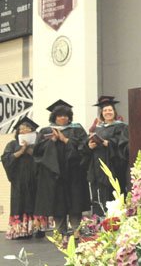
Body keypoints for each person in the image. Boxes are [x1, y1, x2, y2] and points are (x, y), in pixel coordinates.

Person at [33, 100, 90, 237]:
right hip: (55, 175)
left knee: (75, 204)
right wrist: (52, 141)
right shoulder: (45, 131)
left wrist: (66, 140)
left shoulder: (77, 129)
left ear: (69, 117)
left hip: (74, 173)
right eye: (59, 115)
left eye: (65, 115)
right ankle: (60, 233)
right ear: (54, 117)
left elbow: (85, 148)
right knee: (58, 205)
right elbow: (37, 153)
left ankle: (77, 231)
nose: (63, 118)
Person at [83, 96, 129, 216]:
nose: (107, 112)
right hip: (97, 167)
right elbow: (85, 149)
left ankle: (116, 221)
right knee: (98, 196)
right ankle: (99, 223)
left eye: (110, 110)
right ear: (102, 113)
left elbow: (124, 146)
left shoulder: (122, 127)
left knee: (113, 194)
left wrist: (109, 143)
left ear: (114, 112)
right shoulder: (97, 128)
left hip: (113, 167)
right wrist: (90, 146)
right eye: (105, 111)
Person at [1, 117, 43, 239]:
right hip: (19, 181)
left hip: (35, 180)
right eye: (21, 130)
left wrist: (30, 150)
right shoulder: (12, 144)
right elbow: (5, 159)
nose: (24, 131)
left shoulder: (38, 145)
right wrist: (21, 151)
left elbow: (43, 159)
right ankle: (20, 230)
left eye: (28, 129)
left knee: (36, 203)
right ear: (18, 133)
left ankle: (38, 228)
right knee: (19, 203)